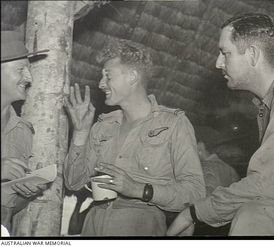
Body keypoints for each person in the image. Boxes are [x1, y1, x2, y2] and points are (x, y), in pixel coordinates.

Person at [167, 13, 274, 236]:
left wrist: (192, 213)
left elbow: (271, 182)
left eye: (224, 53)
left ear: (252, 54)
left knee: (254, 216)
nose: (218, 62)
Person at [63, 39, 206, 236]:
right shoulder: (102, 126)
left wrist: (140, 190)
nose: (100, 83)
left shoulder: (173, 124)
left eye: (107, 76)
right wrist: (80, 132)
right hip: (93, 227)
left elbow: (195, 192)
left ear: (132, 77)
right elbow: (73, 183)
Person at [1, 31, 49, 234]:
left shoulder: (23, 130)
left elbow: (10, 206)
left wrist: (26, 192)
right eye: (21, 69)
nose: (29, 78)